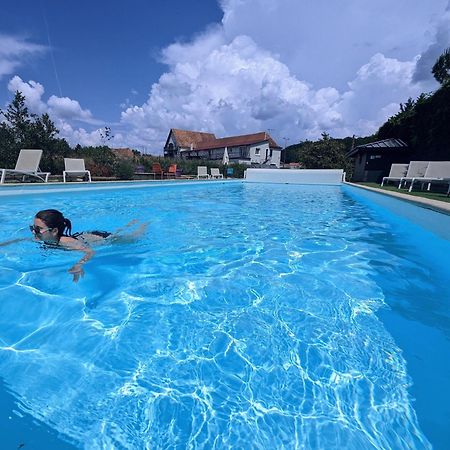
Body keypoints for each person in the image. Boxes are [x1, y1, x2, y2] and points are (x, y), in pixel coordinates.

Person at [0, 209, 147, 282]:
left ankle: (144, 224)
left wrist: (79, 265)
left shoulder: (66, 243)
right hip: (84, 235)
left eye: (37, 229)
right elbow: (20, 240)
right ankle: (131, 223)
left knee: (131, 238)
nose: (33, 232)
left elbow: (90, 252)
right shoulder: (42, 238)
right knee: (119, 232)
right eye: (33, 227)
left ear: (54, 231)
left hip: (98, 238)